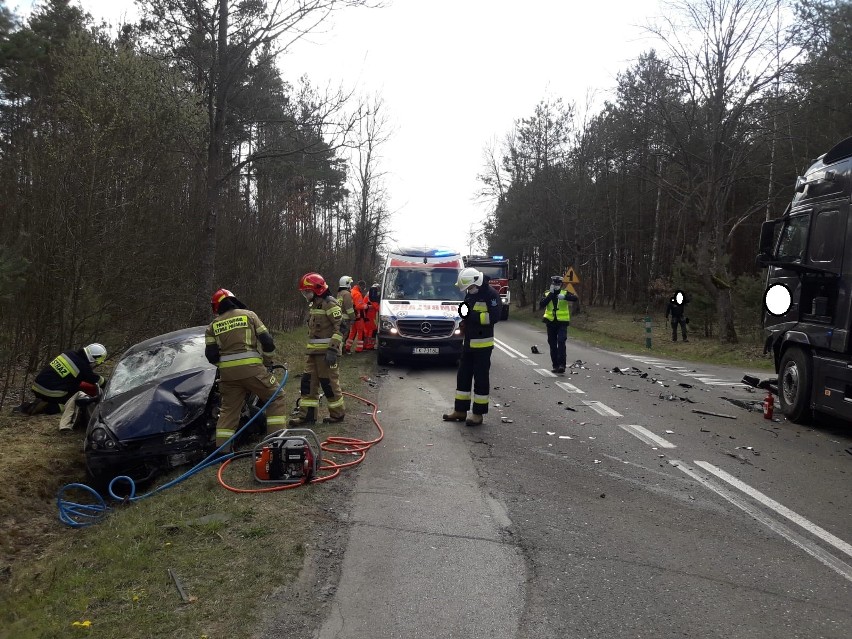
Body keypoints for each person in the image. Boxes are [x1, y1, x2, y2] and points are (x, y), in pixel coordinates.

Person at [205, 288, 288, 449]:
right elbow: (268, 342)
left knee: (229, 411)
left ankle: (222, 451)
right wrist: (267, 362)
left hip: (228, 376)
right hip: (252, 370)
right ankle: (276, 442)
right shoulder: (249, 315)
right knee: (275, 397)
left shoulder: (212, 326)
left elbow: (211, 356)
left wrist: (226, 367)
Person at [442, 267, 502, 426]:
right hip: (468, 343)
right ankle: (460, 411)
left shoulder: (491, 295)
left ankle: (478, 414)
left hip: (483, 345)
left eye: (469, 287)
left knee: (481, 379)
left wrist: (472, 316)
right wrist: (463, 317)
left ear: (476, 282)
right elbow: (466, 310)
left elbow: (495, 317)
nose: (468, 290)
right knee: (463, 376)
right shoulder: (471, 294)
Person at [289, 273, 346, 425]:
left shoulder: (330, 304)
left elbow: (341, 327)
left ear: (318, 289)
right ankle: (307, 416)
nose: (305, 295)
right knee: (307, 384)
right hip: (313, 354)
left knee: (329, 384)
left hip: (327, 354)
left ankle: (337, 414)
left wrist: (333, 349)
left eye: (307, 292)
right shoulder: (315, 305)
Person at [15, 343, 108, 431]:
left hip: (37, 386)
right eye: (97, 360)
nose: (96, 363)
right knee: (73, 403)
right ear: (94, 357)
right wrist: (109, 382)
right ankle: (47, 407)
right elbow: (97, 380)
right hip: (51, 392)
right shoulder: (83, 366)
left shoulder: (69, 353)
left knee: (75, 385)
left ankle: (42, 401)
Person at [539, 275, 579, 374]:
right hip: (550, 322)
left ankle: (562, 365)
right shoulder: (547, 293)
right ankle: (555, 365)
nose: (556, 285)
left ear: (561, 285)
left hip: (562, 322)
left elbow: (575, 298)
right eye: (554, 283)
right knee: (552, 344)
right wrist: (550, 295)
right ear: (552, 284)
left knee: (561, 342)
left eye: (558, 284)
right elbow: (542, 304)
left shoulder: (564, 292)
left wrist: (565, 297)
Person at [344, 279, 369, 353]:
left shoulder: (351, 291)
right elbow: (359, 305)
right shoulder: (357, 294)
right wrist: (366, 306)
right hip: (359, 315)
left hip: (352, 316)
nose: (364, 289)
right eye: (363, 287)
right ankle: (359, 349)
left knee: (352, 332)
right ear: (361, 286)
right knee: (360, 332)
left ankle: (347, 347)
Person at [337, 275, 356, 344]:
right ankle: (340, 351)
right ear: (347, 284)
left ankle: (341, 350)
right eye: (350, 283)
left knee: (340, 335)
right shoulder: (347, 294)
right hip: (345, 319)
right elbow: (349, 308)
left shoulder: (339, 293)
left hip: (339, 317)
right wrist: (353, 318)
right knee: (344, 335)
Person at [363, 282, 380, 350]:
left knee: (368, 331)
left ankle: (366, 345)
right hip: (368, 316)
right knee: (372, 330)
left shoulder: (369, 294)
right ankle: (369, 346)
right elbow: (377, 307)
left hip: (367, 316)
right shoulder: (372, 296)